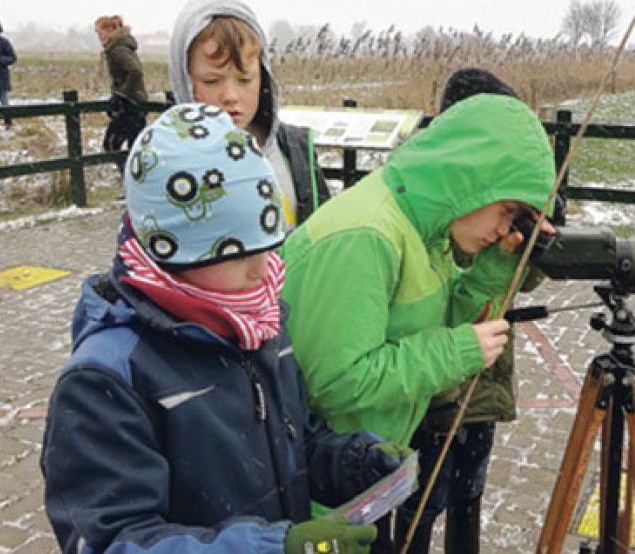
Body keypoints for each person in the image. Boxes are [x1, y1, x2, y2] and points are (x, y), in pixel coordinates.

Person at [40, 103, 411, 554]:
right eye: (240, 252)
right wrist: (271, 549)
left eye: (268, 244)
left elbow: (298, 444)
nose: (265, 269)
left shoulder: (258, 323)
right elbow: (110, 541)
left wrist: (354, 464)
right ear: (176, 252)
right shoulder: (107, 378)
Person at [280, 93, 556, 552]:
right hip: (318, 488)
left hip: (363, 470)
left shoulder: (426, 227)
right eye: (507, 211)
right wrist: (457, 352)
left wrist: (495, 269)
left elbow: (435, 321)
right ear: (473, 179)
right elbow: (334, 380)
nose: (504, 227)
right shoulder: (366, 237)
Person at [394, 68, 549, 554]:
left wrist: (525, 237)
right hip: (432, 392)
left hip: (482, 385)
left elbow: (529, 279)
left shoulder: (509, 196)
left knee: (468, 494)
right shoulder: (427, 192)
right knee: (418, 502)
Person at [169, 0, 330, 231]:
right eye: (212, 81)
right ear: (183, 80)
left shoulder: (295, 149)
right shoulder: (165, 163)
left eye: (245, 79)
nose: (231, 96)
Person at [94, 15, 148, 174]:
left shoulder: (117, 49)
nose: (99, 37)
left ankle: (128, 181)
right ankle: (134, 183)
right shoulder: (122, 46)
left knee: (111, 144)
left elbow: (135, 71)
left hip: (129, 105)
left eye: (100, 32)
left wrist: (122, 95)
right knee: (134, 146)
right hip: (136, 102)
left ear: (110, 30)